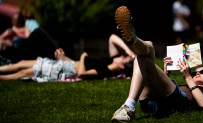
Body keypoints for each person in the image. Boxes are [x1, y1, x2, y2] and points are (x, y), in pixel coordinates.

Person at [111, 6, 203, 123]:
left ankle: (128, 107)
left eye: (202, 72)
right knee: (149, 47)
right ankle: (133, 39)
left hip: (179, 99)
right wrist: (166, 73)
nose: (197, 73)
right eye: (195, 73)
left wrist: (188, 77)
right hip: (157, 100)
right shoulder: (195, 84)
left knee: (142, 59)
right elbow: (161, 89)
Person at [0, 34, 136, 81]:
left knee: (22, 73)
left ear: (122, 66)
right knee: (22, 62)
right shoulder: (110, 61)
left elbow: (81, 73)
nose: (122, 56)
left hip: (63, 70)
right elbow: (112, 38)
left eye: (124, 58)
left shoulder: (106, 70)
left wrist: (83, 57)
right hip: (65, 64)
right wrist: (130, 51)